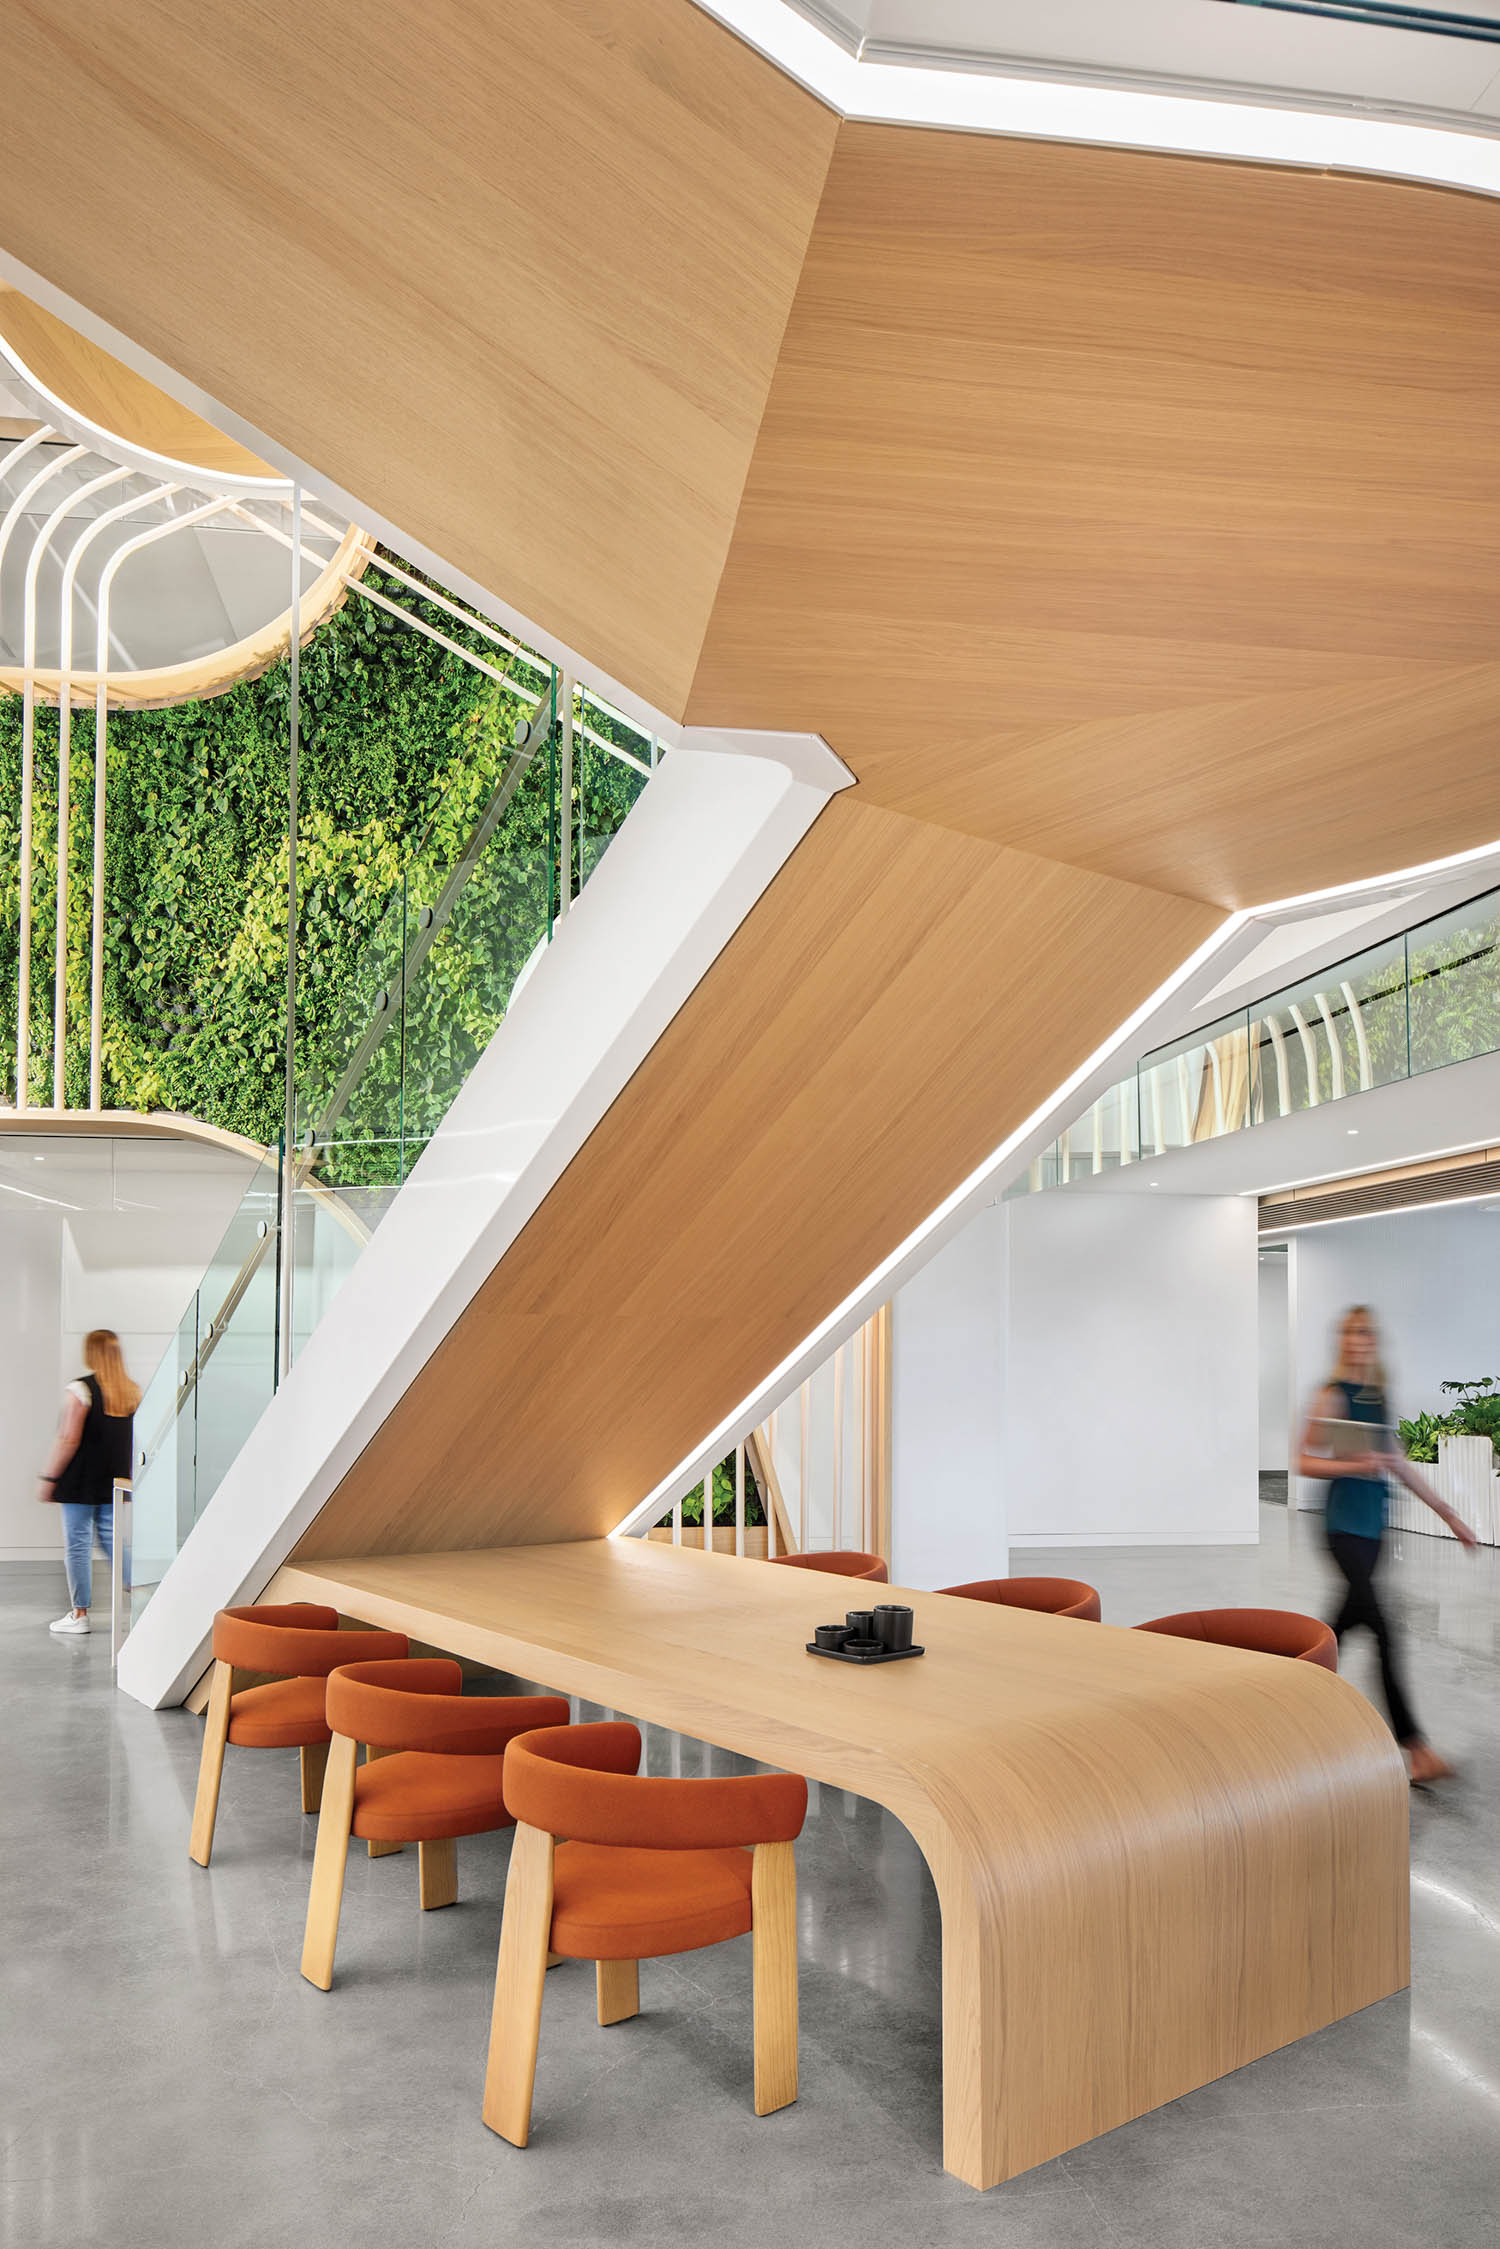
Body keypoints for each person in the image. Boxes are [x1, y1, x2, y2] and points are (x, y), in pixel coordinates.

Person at [1296, 1304, 1476, 1785]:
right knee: (1383, 1628)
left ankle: (1289, 1692)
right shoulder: (1331, 1395)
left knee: (1344, 1625)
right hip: (1341, 1528)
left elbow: (1396, 1462)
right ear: (1342, 1340)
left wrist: (1448, 1513)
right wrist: (1355, 1465)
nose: (1360, 1340)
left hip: (1373, 1530)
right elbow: (1304, 1461)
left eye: (1367, 1333)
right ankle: (1416, 1748)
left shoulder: (1376, 1395)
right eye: (1352, 1333)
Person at [37, 1328, 140, 1637]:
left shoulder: (80, 1390)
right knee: (113, 1543)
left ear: (92, 1353)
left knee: (78, 1546)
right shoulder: (129, 1392)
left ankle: (79, 1614)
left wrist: (49, 1477)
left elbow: (68, 1439)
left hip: (80, 1482)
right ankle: (145, 1600)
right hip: (114, 1482)